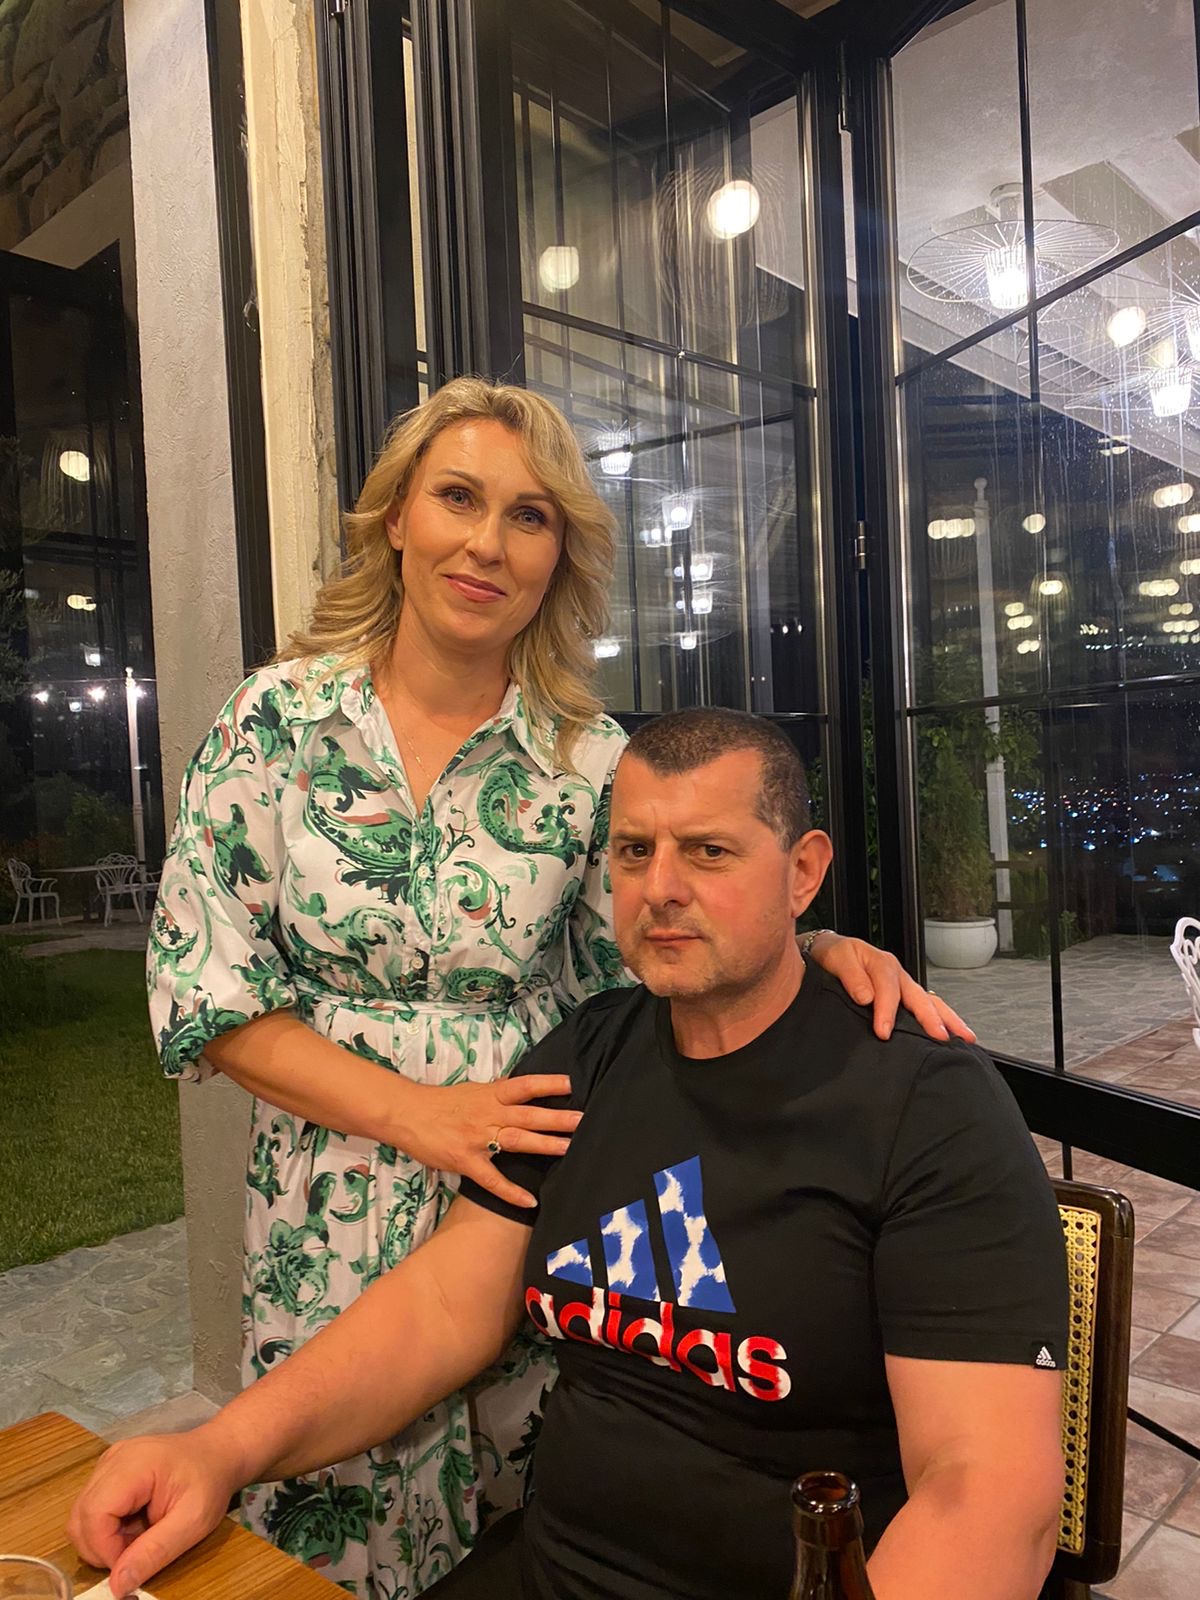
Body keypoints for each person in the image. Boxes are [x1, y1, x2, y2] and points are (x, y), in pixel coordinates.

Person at [85, 709, 1064, 1600]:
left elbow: (985, 1492)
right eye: (635, 850)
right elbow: (441, 1308)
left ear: (803, 872)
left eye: (709, 851)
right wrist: (217, 1450)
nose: (662, 888)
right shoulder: (588, 1055)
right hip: (548, 1568)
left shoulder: (926, 1104)